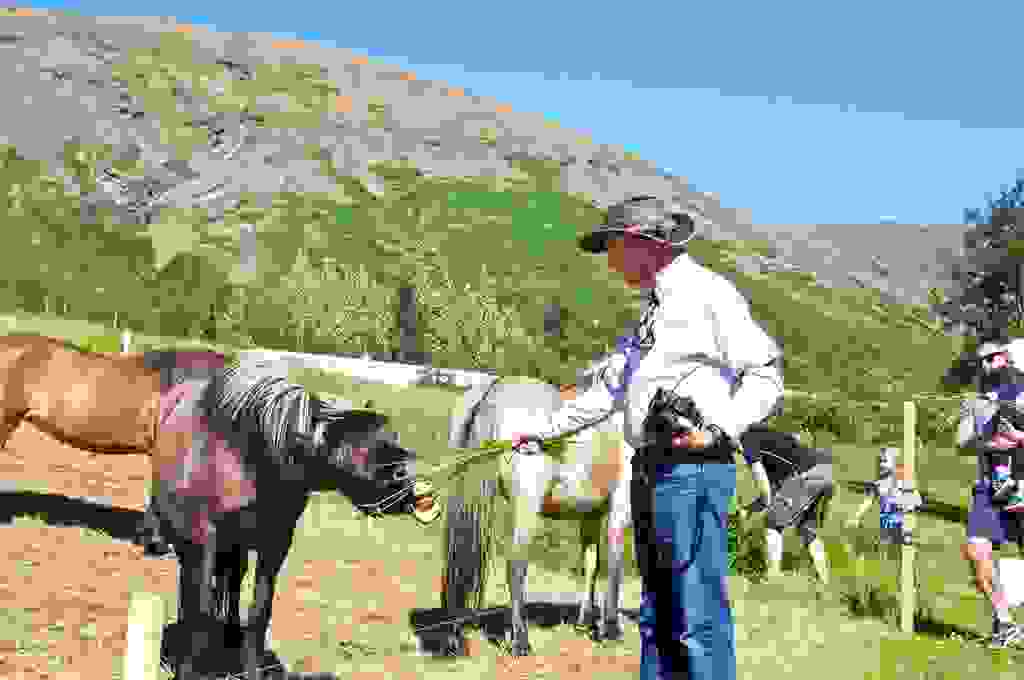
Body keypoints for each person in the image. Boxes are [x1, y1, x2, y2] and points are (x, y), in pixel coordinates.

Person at [512, 195, 784, 680]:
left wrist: (718, 429)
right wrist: (541, 431)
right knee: (657, 611)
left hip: (693, 471)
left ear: (644, 244)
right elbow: (610, 390)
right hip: (650, 468)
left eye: (613, 248)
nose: (609, 262)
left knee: (696, 614)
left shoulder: (709, 294)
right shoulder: (653, 309)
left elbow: (766, 374)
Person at [958, 355, 1024, 649]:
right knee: (976, 551)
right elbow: (961, 443)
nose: (991, 363)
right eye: (985, 358)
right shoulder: (973, 402)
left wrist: (1018, 439)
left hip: (1020, 483)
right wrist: (986, 442)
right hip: (988, 487)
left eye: (996, 357)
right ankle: (1005, 623)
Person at [738, 425, 834, 584]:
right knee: (807, 530)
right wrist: (750, 509)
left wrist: (750, 511)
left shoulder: (747, 439)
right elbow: (774, 491)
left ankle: (773, 580)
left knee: (772, 524)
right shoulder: (769, 439)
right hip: (826, 471)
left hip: (807, 474)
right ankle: (825, 583)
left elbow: (764, 487)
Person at [976, 341, 1024, 510]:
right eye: (982, 361)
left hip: (1014, 417)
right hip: (1013, 419)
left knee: (994, 441)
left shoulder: (1009, 372)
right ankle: (1013, 488)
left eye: (988, 359)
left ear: (1001, 357)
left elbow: (1014, 391)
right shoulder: (991, 378)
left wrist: (995, 396)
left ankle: (1003, 479)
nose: (984, 364)